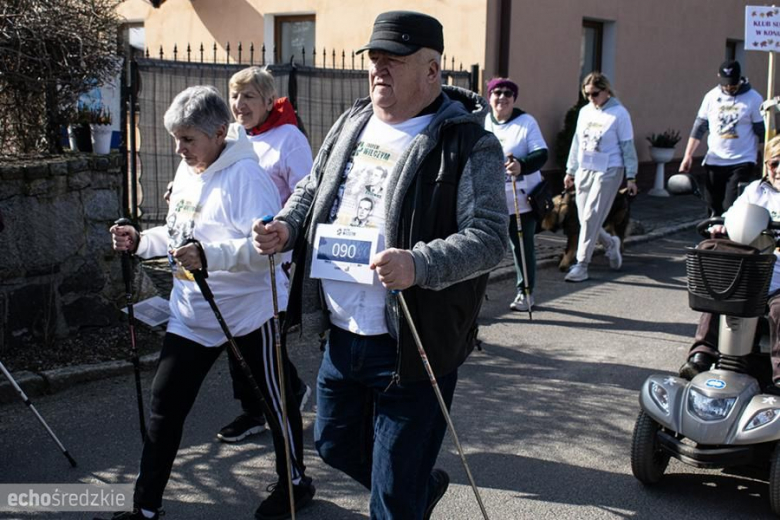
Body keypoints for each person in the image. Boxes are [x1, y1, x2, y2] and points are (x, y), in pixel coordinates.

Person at [251, 10, 507, 519]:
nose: (378, 69)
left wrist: (419, 263)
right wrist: (287, 227)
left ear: (431, 71)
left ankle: (404, 495)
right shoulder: (352, 122)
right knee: (333, 444)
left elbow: (489, 237)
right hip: (342, 334)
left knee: (390, 502)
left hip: (413, 344)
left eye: (395, 59)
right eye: (374, 58)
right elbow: (312, 189)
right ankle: (416, 490)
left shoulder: (469, 143)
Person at [103, 86, 313, 520]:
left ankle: (295, 484)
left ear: (219, 133)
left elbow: (267, 251)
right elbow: (178, 234)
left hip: (248, 314)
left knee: (276, 404)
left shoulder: (247, 177)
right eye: (176, 138)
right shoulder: (189, 170)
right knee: (164, 407)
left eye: (187, 139)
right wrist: (141, 241)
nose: (179, 149)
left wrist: (209, 255)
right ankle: (145, 508)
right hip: (192, 314)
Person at [217, 66, 313, 444]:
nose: (239, 104)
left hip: (274, 256)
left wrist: (282, 233)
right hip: (234, 255)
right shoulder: (233, 137)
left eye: (249, 97)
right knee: (236, 334)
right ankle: (257, 406)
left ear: (269, 101)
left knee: (260, 337)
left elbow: (306, 194)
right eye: (235, 96)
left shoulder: (289, 138)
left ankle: (278, 401)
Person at [680, 134, 780, 388]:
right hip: (753, 271)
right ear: (767, 165)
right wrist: (721, 225)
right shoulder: (756, 190)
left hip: (779, 279)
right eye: (774, 163)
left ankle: (779, 378)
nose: (778, 169)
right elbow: (734, 214)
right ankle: (701, 357)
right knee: (719, 288)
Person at [564, 72, 638, 283]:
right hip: (585, 168)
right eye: (587, 94)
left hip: (609, 169)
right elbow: (576, 142)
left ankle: (581, 265)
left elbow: (627, 147)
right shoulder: (585, 112)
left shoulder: (619, 114)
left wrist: (631, 176)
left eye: (595, 94)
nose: (591, 98)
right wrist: (570, 171)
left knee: (591, 216)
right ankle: (610, 243)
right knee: (585, 219)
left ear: (606, 91)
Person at [484, 77, 548, 311]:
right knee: (483, 245)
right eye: (497, 92)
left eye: (508, 93)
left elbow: (541, 153)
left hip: (520, 198)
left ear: (514, 99)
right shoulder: (483, 122)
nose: (502, 97)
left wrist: (522, 165)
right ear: (489, 96)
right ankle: (477, 293)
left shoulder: (526, 122)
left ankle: (526, 292)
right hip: (489, 198)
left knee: (521, 245)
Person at [679, 59, 765, 217]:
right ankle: (712, 233)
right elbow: (699, 128)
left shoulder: (753, 98)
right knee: (712, 208)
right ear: (719, 77)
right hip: (715, 161)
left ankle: (729, 232)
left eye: (733, 84)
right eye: (726, 85)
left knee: (730, 207)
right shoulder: (711, 97)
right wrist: (688, 155)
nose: (729, 88)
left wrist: (764, 159)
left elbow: (761, 132)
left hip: (742, 160)